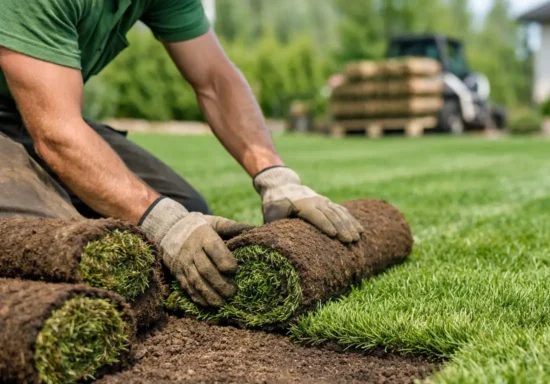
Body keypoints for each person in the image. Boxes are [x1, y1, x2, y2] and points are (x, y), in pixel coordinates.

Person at [0, 0, 363, 309]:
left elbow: (215, 79)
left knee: (184, 206)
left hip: (28, 113)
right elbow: (57, 133)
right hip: (39, 120)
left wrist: (276, 178)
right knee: (69, 242)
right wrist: (161, 222)